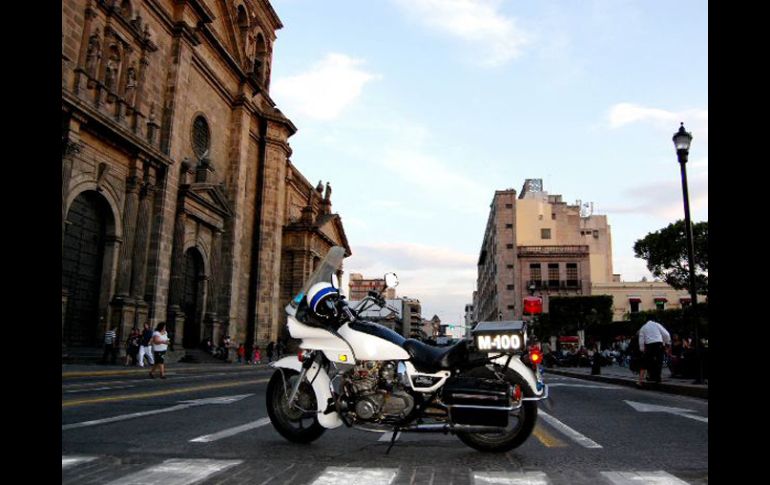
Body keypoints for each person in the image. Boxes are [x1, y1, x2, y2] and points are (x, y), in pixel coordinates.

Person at [638, 319, 671, 385]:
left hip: (649, 345)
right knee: (659, 361)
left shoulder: (643, 327)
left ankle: (649, 377)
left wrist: (642, 349)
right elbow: (666, 334)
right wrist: (667, 342)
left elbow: (641, 339)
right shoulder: (657, 325)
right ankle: (658, 378)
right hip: (658, 344)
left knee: (648, 361)